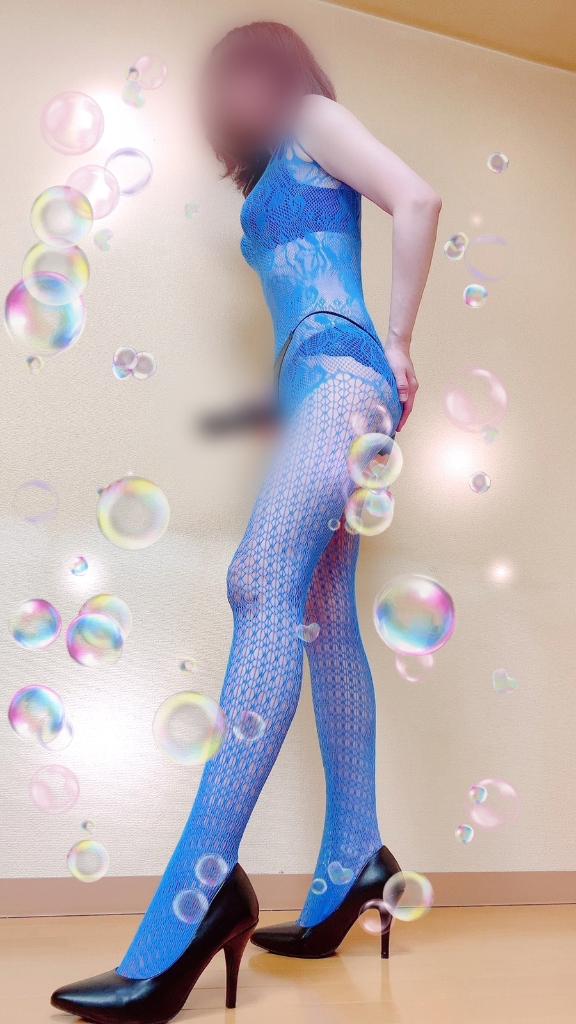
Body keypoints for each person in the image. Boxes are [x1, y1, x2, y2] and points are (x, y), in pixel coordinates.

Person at [52, 20, 441, 1023]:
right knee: (320, 615)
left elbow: (417, 197)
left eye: (240, 70)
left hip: (346, 376)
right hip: (318, 387)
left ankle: (197, 897)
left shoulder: (313, 117)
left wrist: (400, 343)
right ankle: (354, 859)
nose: (226, 90)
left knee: (258, 580)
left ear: (277, 72)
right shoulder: (275, 168)